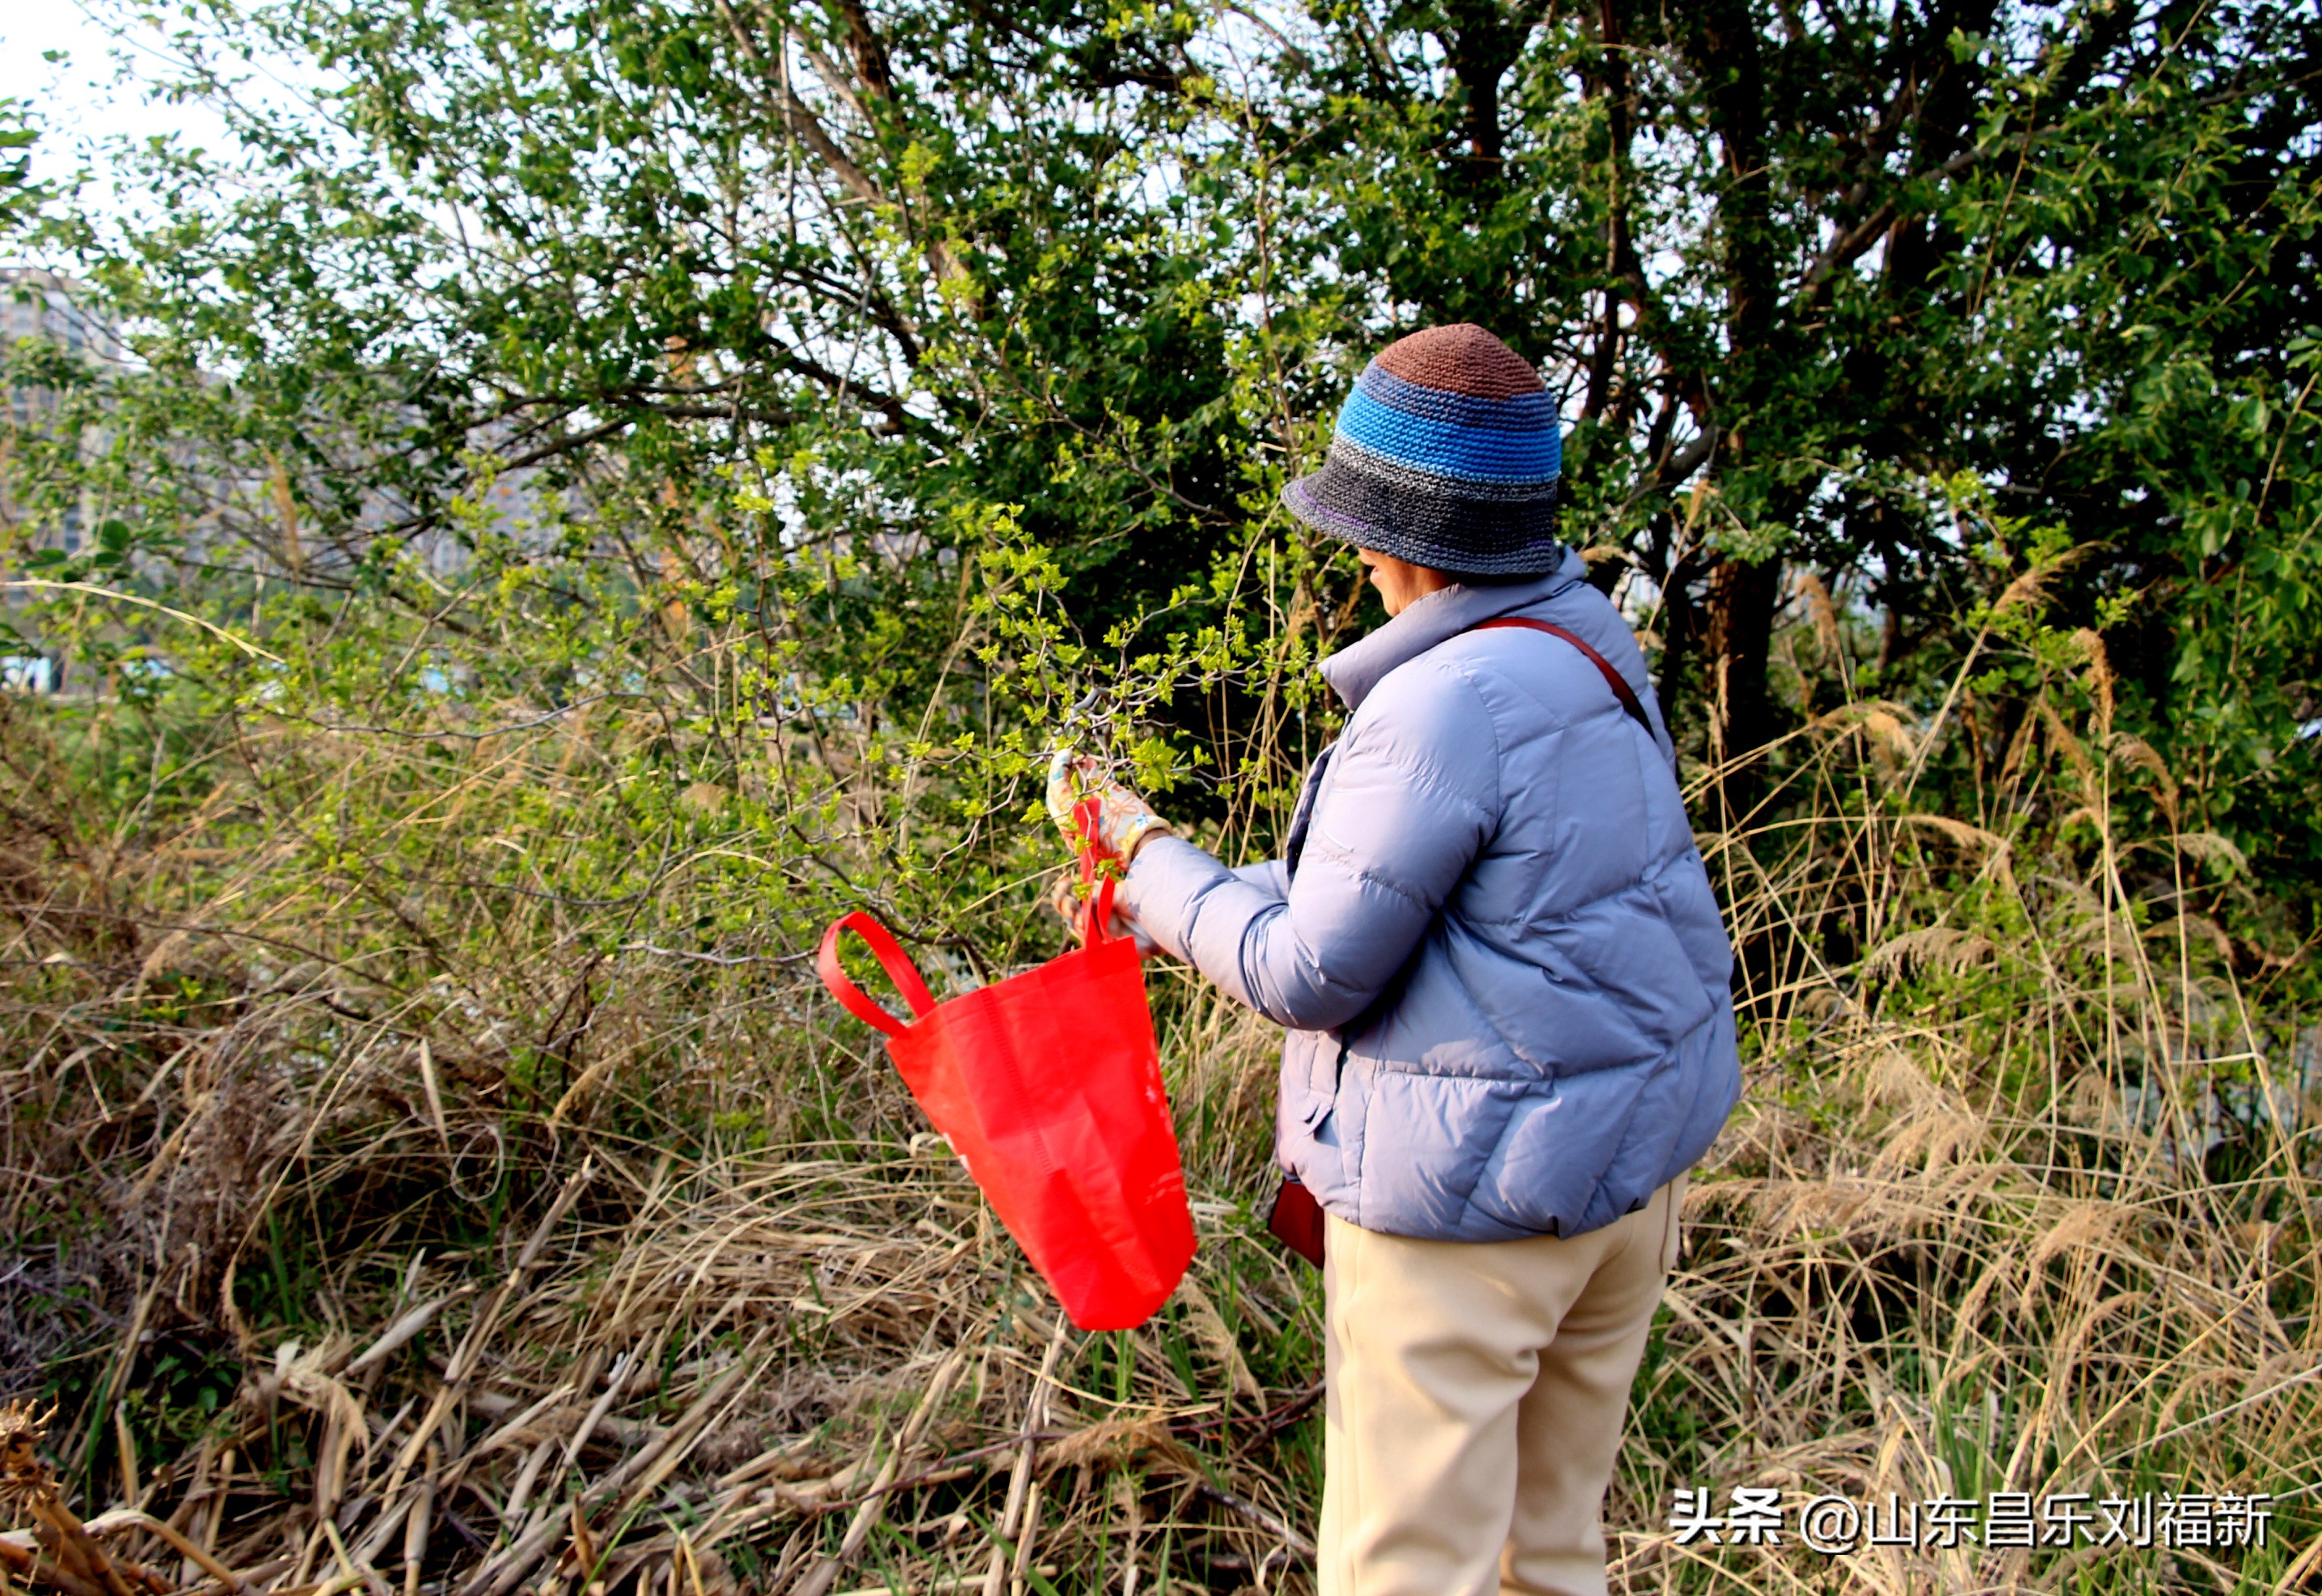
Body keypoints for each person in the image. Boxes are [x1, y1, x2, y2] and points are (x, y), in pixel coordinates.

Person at [1048, 323, 1741, 1596]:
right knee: (1550, 1554)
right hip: (1620, 1186)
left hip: (1469, 1220)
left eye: (1359, 524)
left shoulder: (1433, 705)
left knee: (1407, 1572)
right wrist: (1181, 882)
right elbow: (1412, 897)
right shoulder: (1586, 637)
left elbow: (1310, 968)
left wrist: (1136, 855)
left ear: (1399, 539)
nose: (1352, 552)